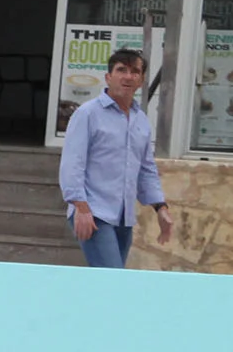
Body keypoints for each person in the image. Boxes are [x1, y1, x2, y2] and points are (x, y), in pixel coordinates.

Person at [60, 47, 172, 268]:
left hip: (124, 217)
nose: (128, 76)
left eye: (134, 71)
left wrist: (161, 208)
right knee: (112, 279)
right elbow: (72, 164)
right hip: (93, 212)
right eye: (121, 70)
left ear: (141, 80)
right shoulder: (88, 114)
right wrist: (80, 208)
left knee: (110, 283)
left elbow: (146, 169)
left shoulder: (140, 120)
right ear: (108, 77)